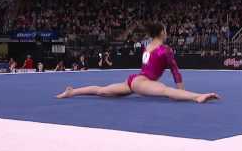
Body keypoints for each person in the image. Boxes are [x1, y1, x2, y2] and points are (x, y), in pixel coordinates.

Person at [57, 22, 219, 103]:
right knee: (166, 91)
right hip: (142, 82)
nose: (167, 33)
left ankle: (72, 92)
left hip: (135, 80)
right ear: (162, 33)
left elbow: (149, 68)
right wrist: (182, 92)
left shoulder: (147, 46)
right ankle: (197, 97)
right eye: (166, 31)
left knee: (103, 91)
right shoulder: (165, 49)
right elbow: (175, 71)